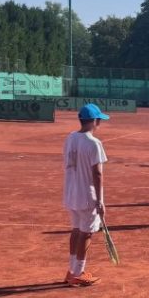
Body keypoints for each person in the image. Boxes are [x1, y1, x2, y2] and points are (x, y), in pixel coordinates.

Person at [63, 103, 109, 287]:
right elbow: (97, 174)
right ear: (94, 121)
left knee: (76, 230)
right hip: (87, 196)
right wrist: (100, 201)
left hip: (71, 194)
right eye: (99, 119)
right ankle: (78, 273)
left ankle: (72, 270)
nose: (100, 123)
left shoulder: (71, 138)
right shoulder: (94, 143)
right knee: (86, 233)